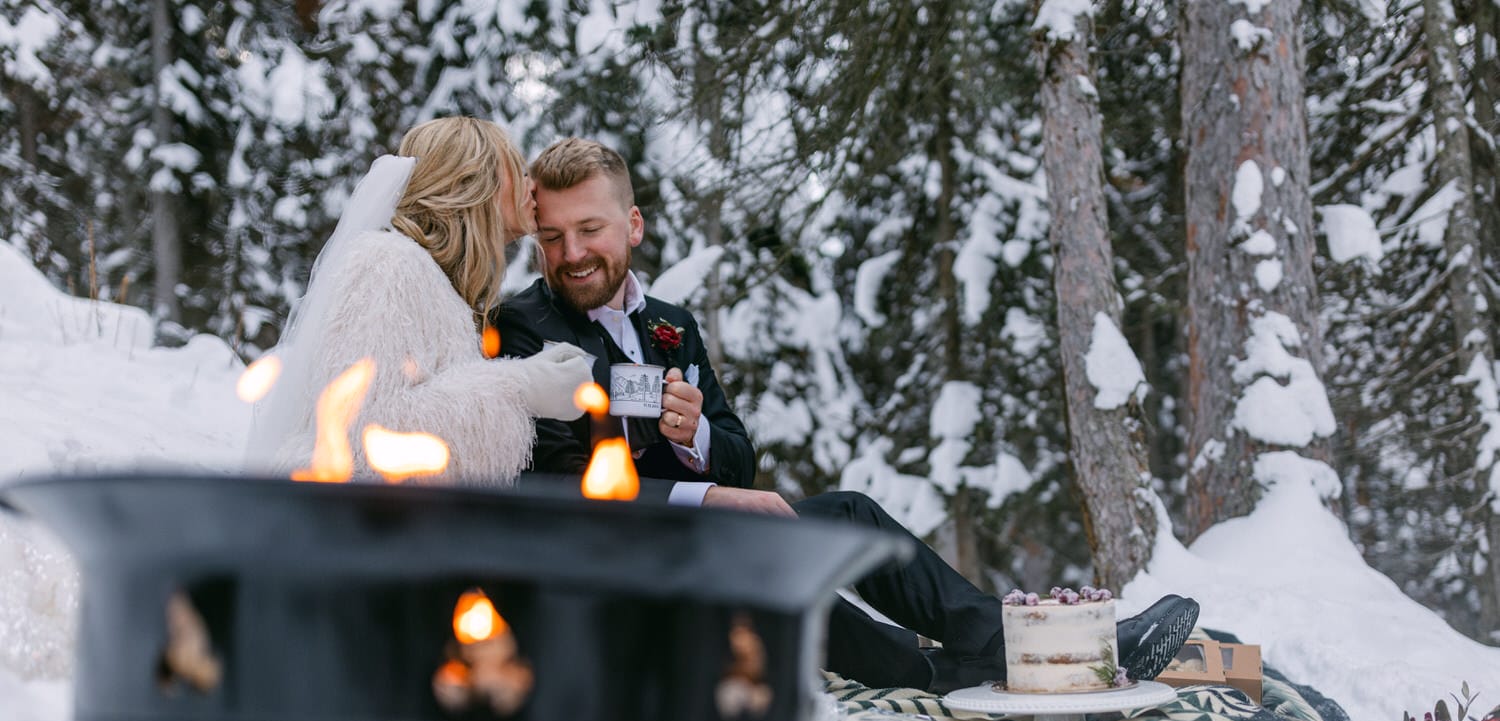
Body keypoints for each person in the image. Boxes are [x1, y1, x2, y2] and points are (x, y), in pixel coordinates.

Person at [495, 138, 1198, 692]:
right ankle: (1038, 653)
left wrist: (695, 436)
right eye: (551, 238)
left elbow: (739, 455)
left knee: (849, 515)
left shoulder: (673, 325)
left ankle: (1012, 650)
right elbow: (551, 487)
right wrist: (705, 495)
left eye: (589, 229)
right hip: (614, 560)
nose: (572, 254)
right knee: (773, 562)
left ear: (634, 224)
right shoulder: (524, 324)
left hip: (704, 540)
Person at [246, 117, 593, 483]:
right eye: (519, 171)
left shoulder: (435, 281)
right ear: (473, 181)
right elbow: (363, 429)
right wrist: (521, 386)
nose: (532, 186)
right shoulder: (386, 264)